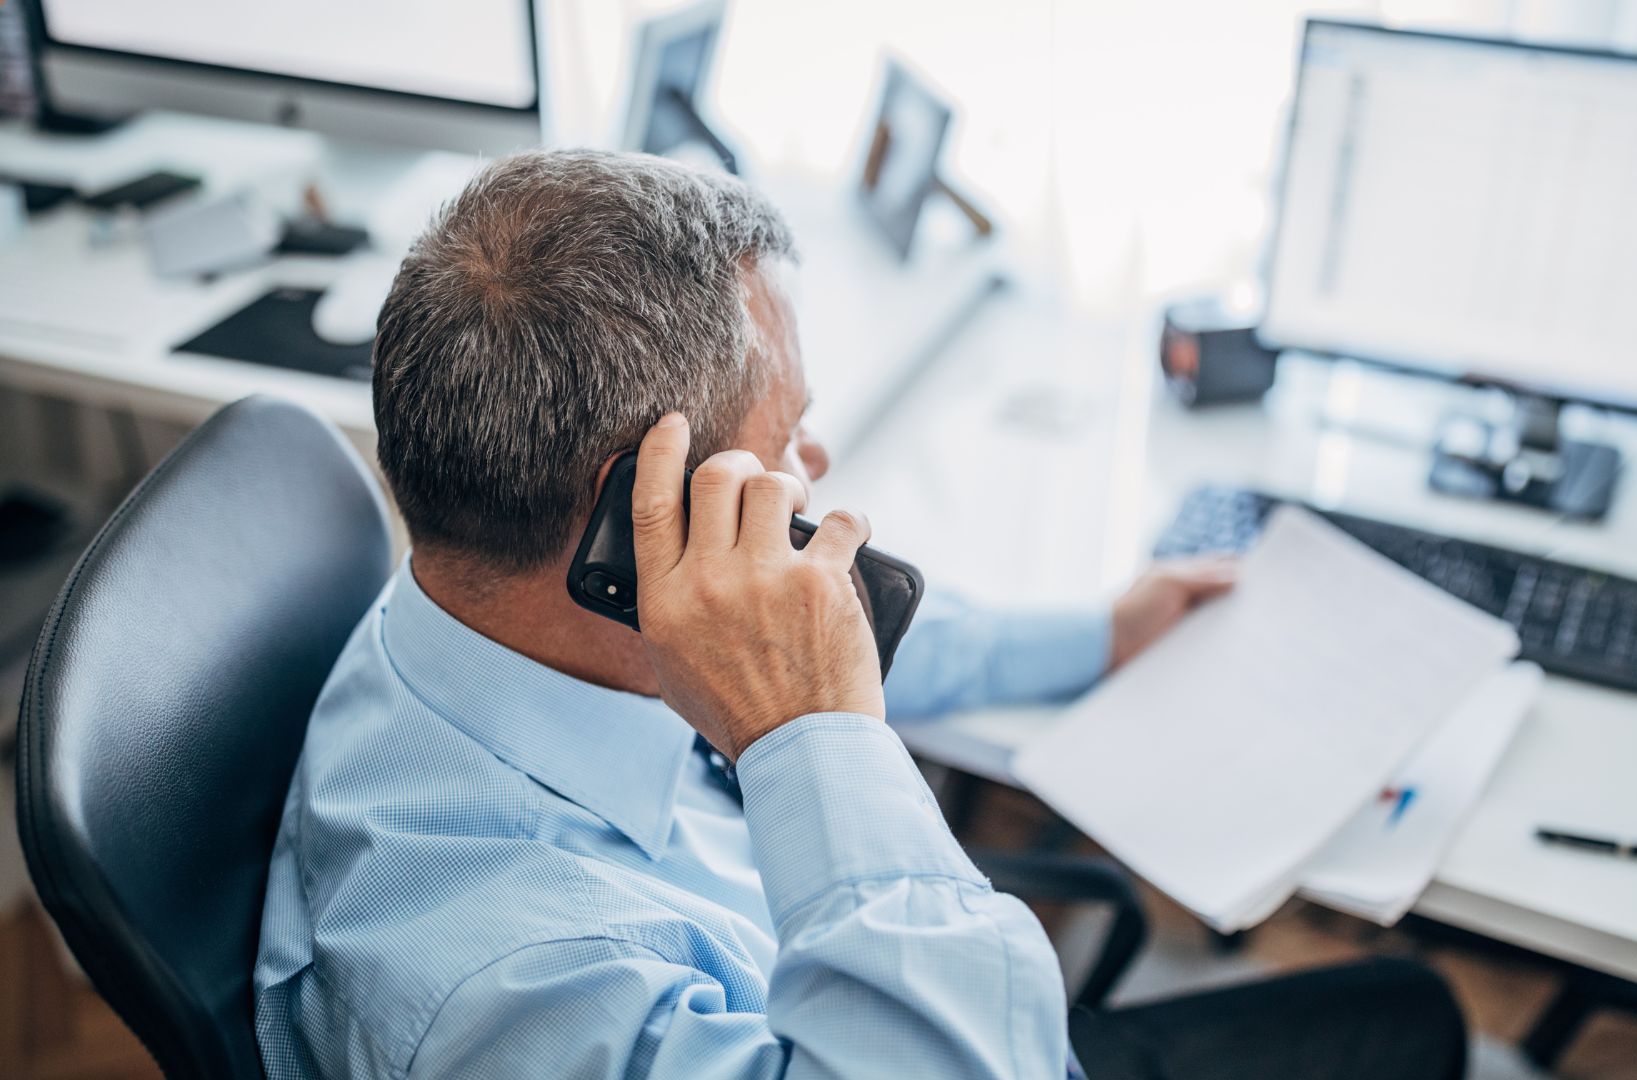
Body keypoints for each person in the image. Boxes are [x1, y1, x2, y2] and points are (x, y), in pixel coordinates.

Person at [253, 149, 1466, 1079]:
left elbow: (793, 615)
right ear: (641, 520)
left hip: (866, 981)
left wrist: (1095, 635)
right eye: (784, 442)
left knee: (1404, 1012)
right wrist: (810, 742)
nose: (814, 457)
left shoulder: (476, 598)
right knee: (1409, 1029)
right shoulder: (516, 994)